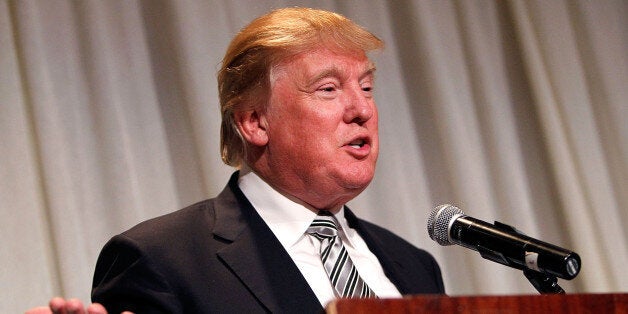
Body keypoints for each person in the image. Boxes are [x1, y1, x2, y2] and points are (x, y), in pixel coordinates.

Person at [27, 7, 444, 314]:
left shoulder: (415, 265)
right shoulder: (162, 259)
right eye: (329, 89)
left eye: (367, 87)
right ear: (254, 121)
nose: (362, 110)